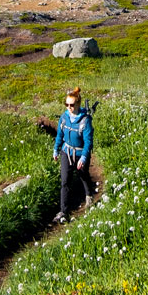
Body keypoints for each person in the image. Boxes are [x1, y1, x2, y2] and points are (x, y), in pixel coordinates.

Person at [53, 86, 93, 224]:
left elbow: (88, 142)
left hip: (80, 153)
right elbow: (60, 134)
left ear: (78, 104)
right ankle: (63, 211)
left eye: (71, 104)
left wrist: (83, 157)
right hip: (66, 152)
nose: (69, 107)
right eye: (66, 104)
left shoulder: (85, 121)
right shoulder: (64, 117)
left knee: (83, 175)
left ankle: (88, 195)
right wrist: (56, 150)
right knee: (65, 181)